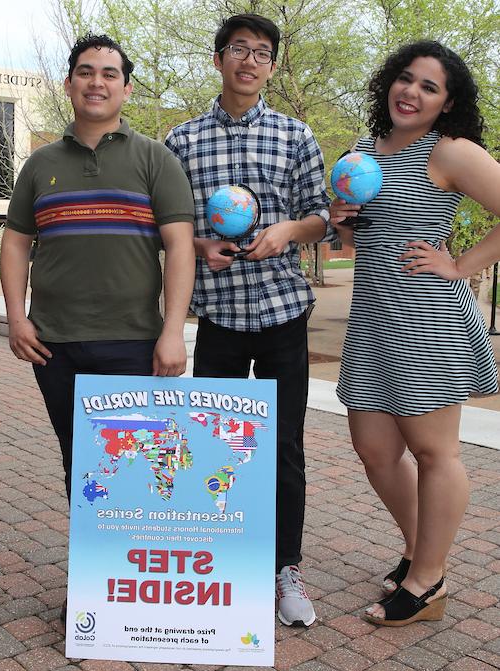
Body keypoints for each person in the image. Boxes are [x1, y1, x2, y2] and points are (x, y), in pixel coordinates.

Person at [165, 13, 332, 627]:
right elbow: (171, 227)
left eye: (262, 52)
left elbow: (324, 216)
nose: (250, 61)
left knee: (284, 447)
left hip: (282, 312)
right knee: (217, 449)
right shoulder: (181, 141)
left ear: (271, 65)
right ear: (219, 59)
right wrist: (200, 246)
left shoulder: (295, 136)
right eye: (240, 49)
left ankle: (286, 566)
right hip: (220, 322)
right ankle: (227, 559)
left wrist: (291, 228)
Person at [330, 40, 500, 627]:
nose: (412, 92)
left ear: (447, 103)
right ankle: (417, 550)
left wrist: (459, 265)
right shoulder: (360, 152)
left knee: (435, 453)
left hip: (426, 321)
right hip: (372, 321)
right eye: (406, 79)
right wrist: (340, 224)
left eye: (430, 87)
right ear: (388, 84)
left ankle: (429, 581)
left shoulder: (451, 152)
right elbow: (356, 243)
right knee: (375, 451)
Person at [1, 34, 195, 505]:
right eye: (86, 72)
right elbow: (15, 241)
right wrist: (16, 317)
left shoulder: (155, 159)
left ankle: (129, 570)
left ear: (126, 89)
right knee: (80, 459)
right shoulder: (39, 164)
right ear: (69, 84)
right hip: (54, 343)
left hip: (132, 341)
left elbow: (180, 248)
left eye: (110, 74)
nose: (97, 82)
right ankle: (96, 575)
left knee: (136, 461)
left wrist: (173, 333)